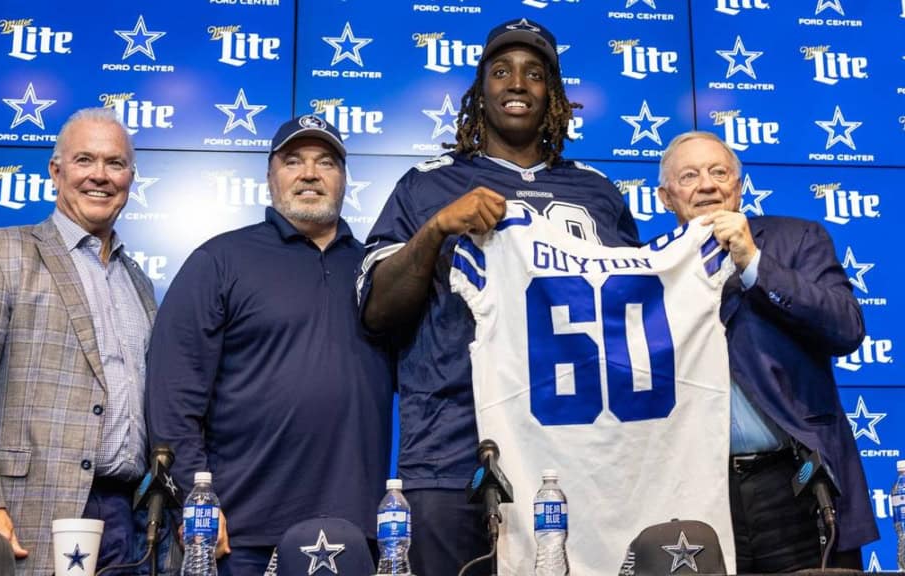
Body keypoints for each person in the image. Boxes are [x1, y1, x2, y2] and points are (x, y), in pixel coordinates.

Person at [358, 18, 640, 574]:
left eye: (535, 74)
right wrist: (436, 229)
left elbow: (633, 320)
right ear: (479, 89)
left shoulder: (598, 194)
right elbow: (377, 314)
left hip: (573, 455)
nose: (517, 83)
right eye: (501, 70)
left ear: (553, 97)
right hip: (449, 449)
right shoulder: (426, 186)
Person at [145, 114, 393, 576]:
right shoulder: (218, 261)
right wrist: (200, 504)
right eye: (292, 160)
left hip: (358, 534)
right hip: (239, 534)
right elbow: (172, 396)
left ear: (344, 179)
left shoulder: (378, 271)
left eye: (327, 162)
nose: (310, 173)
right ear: (269, 177)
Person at [0, 107, 159, 573]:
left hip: (122, 519)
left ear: (132, 177)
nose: (100, 176)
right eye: (84, 160)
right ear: (56, 171)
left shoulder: (140, 283)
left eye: (115, 163)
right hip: (21, 513)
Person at [655, 131, 878, 572]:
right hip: (698, 490)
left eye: (720, 172)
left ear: (739, 186)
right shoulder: (647, 267)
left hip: (797, 484)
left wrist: (754, 263)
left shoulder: (798, 240)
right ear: (666, 197)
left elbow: (846, 328)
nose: (707, 185)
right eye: (690, 175)